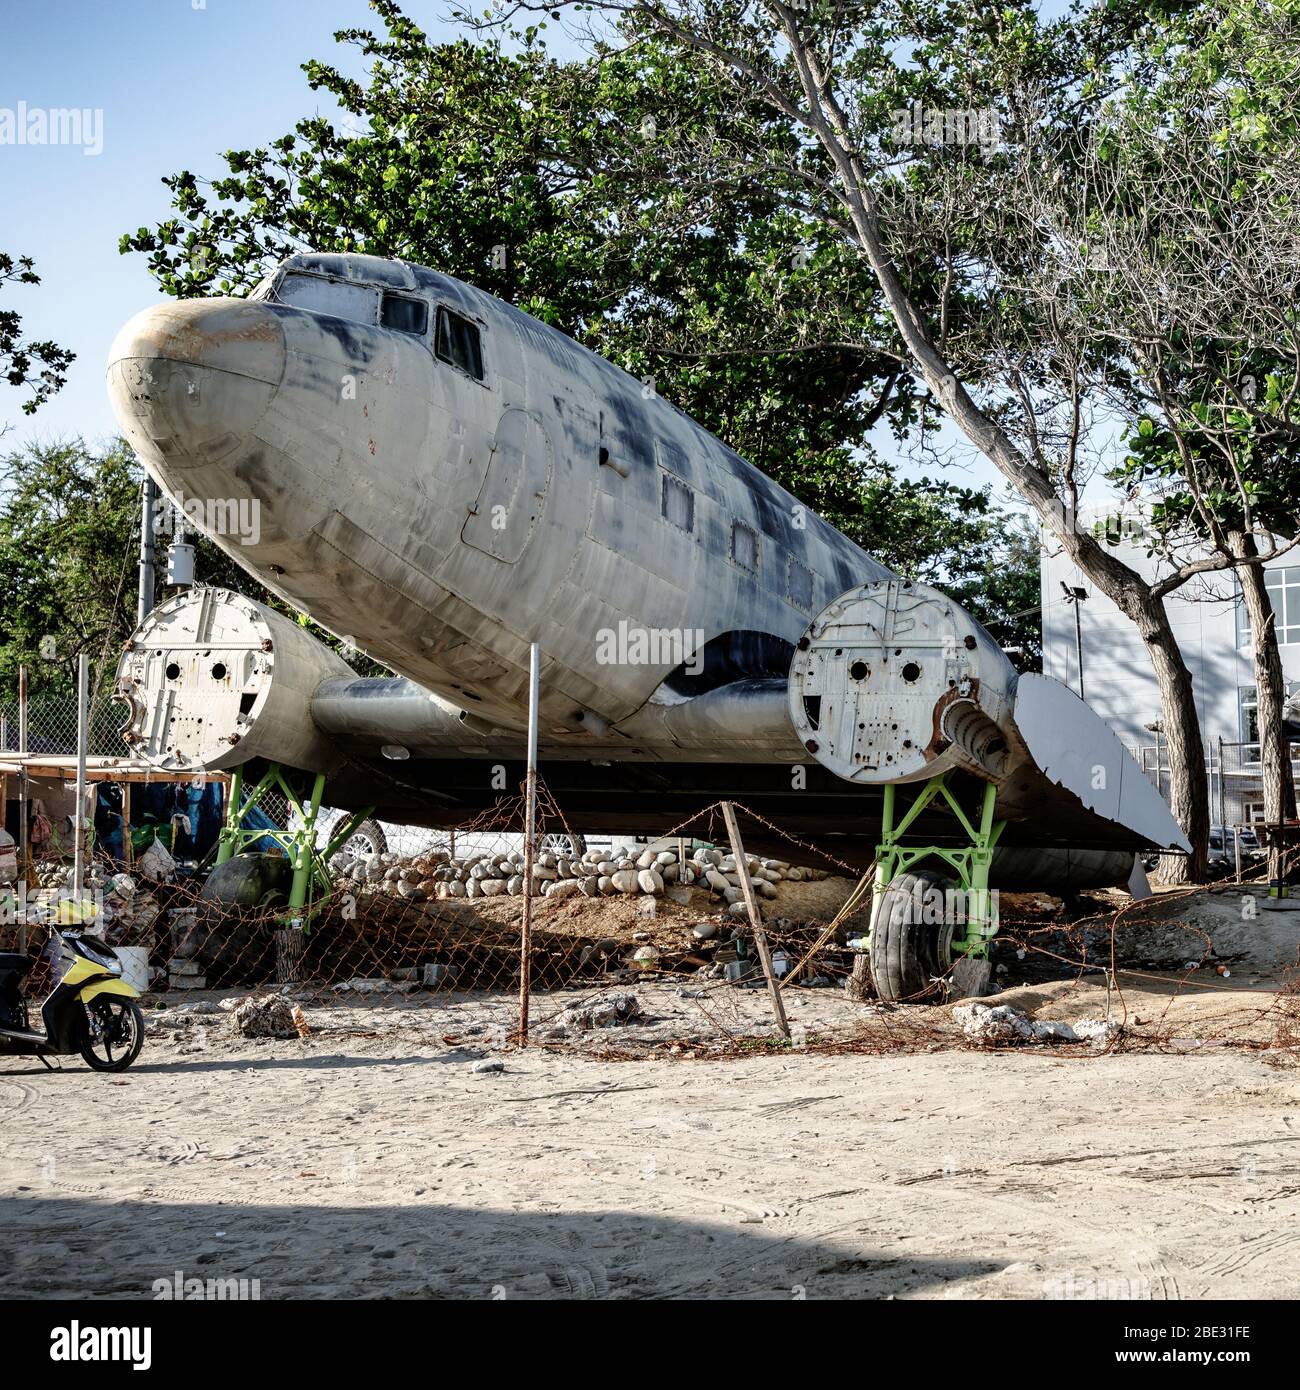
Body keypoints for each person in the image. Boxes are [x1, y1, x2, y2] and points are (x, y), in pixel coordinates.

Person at [93, 781, 126, 869]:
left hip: (111, 832)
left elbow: (111, 818)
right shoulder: (98, 796)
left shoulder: (98, 797)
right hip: (109, 832)